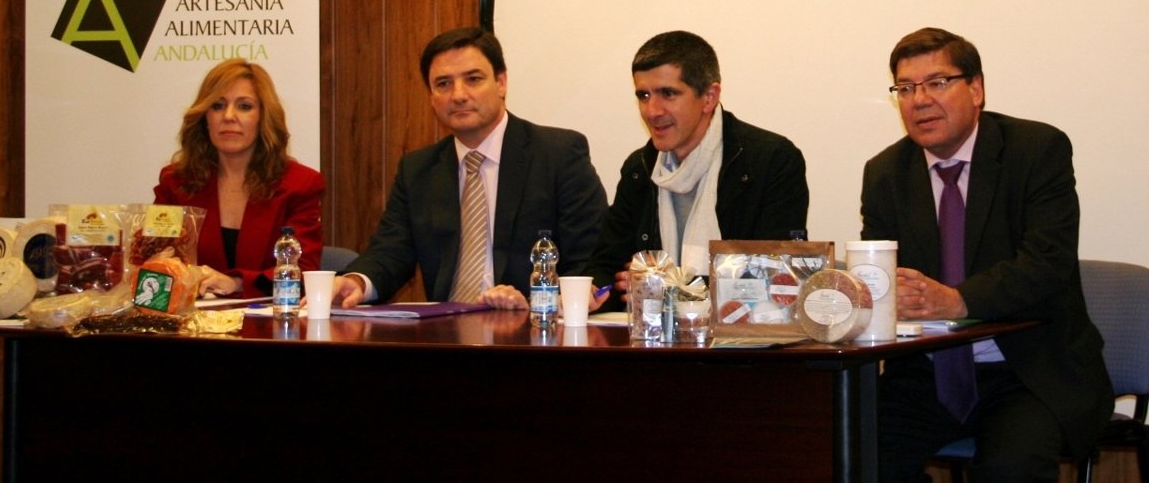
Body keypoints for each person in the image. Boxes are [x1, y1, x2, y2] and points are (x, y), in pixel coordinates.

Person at [860, 27, 1112, 482]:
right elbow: (882, 275)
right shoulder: (885, 174)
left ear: (976, 89)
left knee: (1010, 468)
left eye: (937, 82)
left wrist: (957, 300)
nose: (920, 100)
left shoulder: (1036, 151)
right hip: (925, 373)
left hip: (1025, 371)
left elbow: (1047, 263)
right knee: (850, 454)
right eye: (906, 88)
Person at [329, 27, 608, 310]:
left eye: (473, 79)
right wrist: (357, 281)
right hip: (444, 327)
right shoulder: (418, 169)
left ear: (501, 83)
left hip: (531, 326)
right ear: (431, 96)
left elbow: (591, 259)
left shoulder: (558, 154)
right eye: (443, 84)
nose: (458, 95)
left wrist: (535, 303)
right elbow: (390, 251)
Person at [586, 31, 809, 307]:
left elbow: (776, 278)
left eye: (668, 94)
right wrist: (594, 291)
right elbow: (607, 267)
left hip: (741, 333)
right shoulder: (640, 167)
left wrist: (665, 288)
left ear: (709, 97)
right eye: (643, 95)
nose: (652, 110)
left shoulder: (771, 160)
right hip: (653, 333)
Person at [154, 58, 324, 298]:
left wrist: (237, 282)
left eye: (244, 106)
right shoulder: (176, 182)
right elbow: (156, 260)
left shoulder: (300, 184)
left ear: (263, 117)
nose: (229, 116)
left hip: (266, 317)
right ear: (204, 117)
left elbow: (303, 270)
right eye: (217, 106)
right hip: (195, 318)